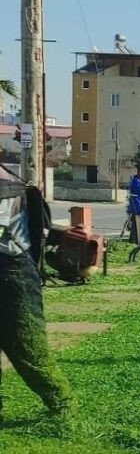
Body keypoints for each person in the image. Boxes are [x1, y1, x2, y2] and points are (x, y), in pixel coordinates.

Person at [0, 165, 72, 422]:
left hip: (13, 274)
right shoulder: (12, 181)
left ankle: (61, 403)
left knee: (29, 348)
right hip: (15, 268)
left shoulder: (6, 186)